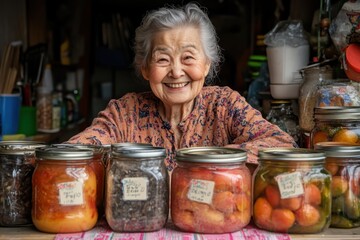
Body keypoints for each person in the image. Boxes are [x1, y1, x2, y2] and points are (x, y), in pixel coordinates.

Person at [66, 2, 297, 172]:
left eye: (188, 57)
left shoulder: (225, 104)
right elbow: (78, 151)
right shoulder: (125, 113)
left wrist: (210, 159)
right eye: (163, 59)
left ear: (206, 65)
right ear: (145, 68)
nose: (176, 72)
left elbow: (281, 143)